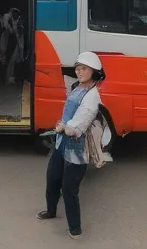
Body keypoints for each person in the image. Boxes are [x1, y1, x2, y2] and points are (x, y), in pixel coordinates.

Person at [37, 51, 105, 239]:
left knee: (69, 189)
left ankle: (75, 229)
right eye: (77, 68)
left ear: (94, 71)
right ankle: (51, 211)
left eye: (84, 68)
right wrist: (62, 123)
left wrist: (66, 127)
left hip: (77, 147)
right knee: (52, 177)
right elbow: (69, 112)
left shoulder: (92, 97)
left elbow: (79, 126)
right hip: (61, 142)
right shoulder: (78, 87)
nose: (79, 71)